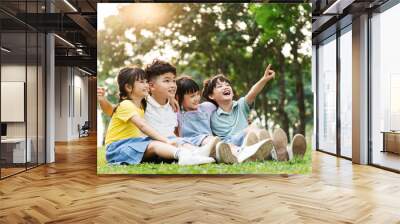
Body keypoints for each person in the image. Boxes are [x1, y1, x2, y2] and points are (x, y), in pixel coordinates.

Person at [104, 67, 215, 166]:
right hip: (116, 148)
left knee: (164, 143)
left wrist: (170, 97)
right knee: (156, 144)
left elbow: (156, 94)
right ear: (128, 87)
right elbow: (143, 126)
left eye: (146, 81)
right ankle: (183, 155)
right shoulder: (126, 105)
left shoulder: (141, 104)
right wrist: (166, 140)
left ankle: (195, 152)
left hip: (133, 144)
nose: (146, 85)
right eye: (142, 82)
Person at [202, 64, 307, 162]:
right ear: (211, 96)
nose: (225, 87)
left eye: (227, 85)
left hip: (250, 139)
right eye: (220, 86)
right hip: (233, 146)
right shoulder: (213, 117)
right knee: (252, 129)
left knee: (254, 132)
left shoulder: (240, 105)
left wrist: (264, 79)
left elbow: (253, 92)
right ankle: (273, 150)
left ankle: (284, 153)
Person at [175, 75, 274, 164]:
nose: (196, 98)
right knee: (216, 141)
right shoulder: (177, 113)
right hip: (192, 142)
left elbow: (226, 104)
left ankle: (258, 150)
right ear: (179, 98)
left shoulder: (206, 107)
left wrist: (244, 119)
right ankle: (242, 152)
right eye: (192, 96)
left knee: (219, 141)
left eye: (197, 94)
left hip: (210, 140)